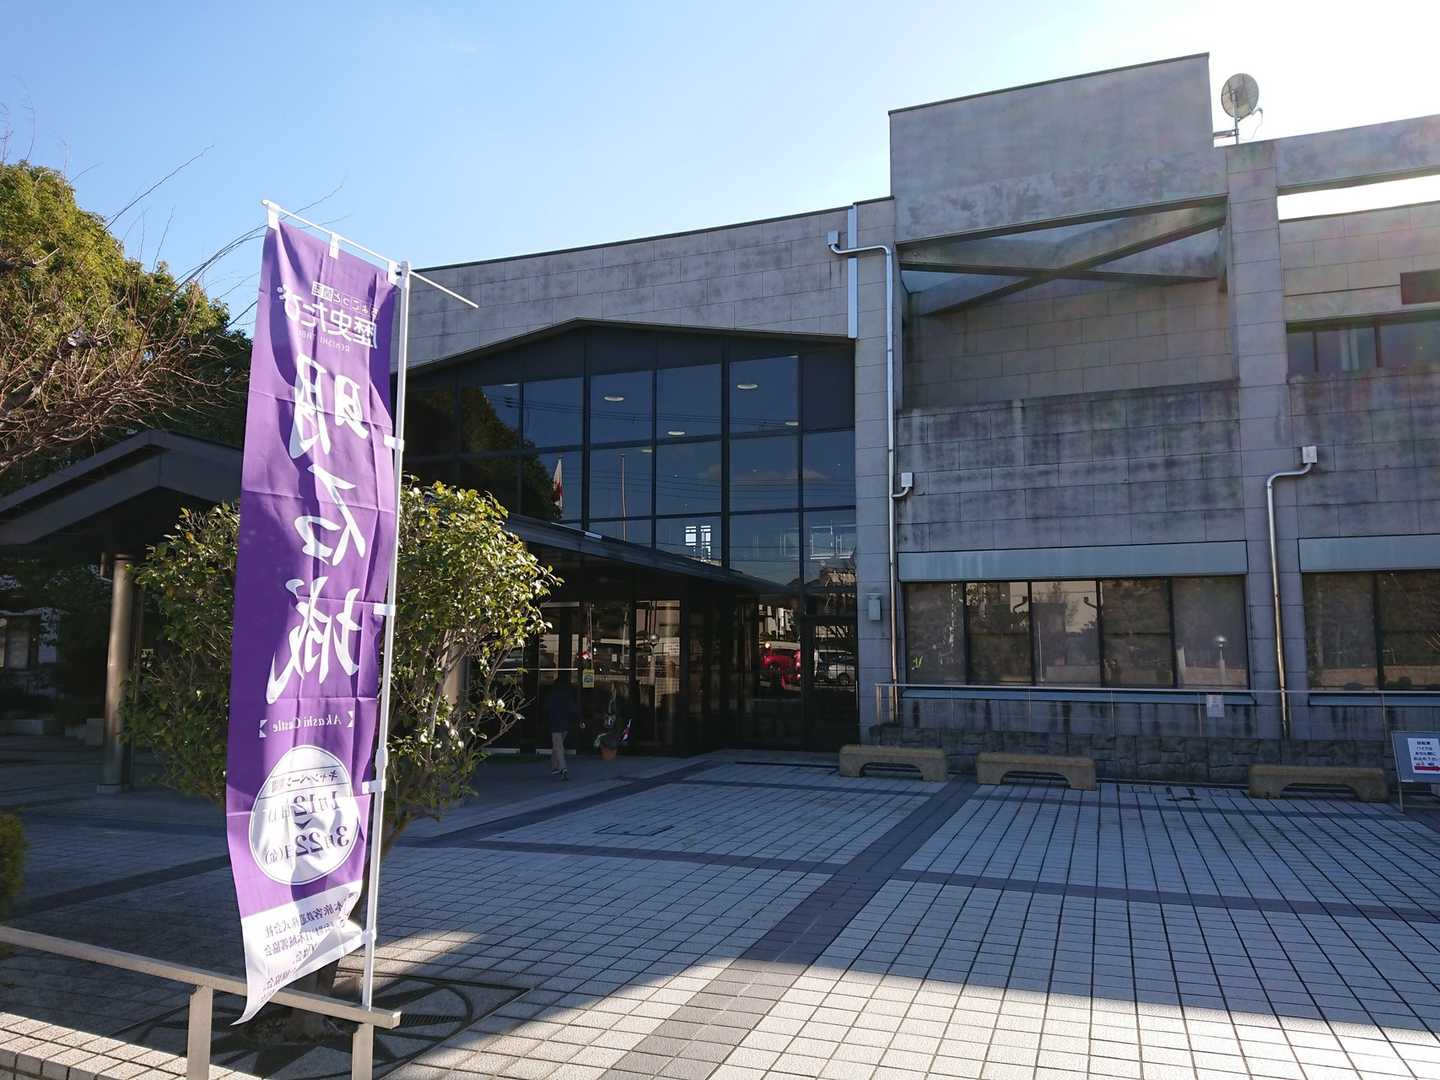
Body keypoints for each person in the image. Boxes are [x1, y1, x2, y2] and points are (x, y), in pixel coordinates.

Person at [544, 673, 579, 780]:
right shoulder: (567, 696)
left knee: (558, 746)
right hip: (565, 724)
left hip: (555, 724)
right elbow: (573, 710)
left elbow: (546, 708)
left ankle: (563, 768)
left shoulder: (552, 696)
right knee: (558, 745)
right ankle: (554, 766)